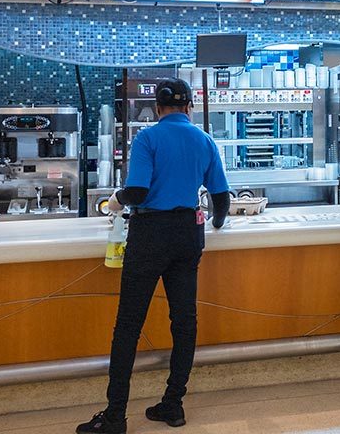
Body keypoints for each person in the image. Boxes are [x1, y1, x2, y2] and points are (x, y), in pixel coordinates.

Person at [78, 79, 232, 434]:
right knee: (184, 322)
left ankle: (115, 416)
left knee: (129, 326)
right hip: (187, 235)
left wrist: (114, 201)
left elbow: (137, 191)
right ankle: (173, 404)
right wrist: (217, 224)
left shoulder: (148, 138)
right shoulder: (205, 139)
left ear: (158, 108)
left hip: (150, 236)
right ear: (189, 107)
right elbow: (221, 200)